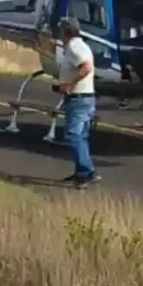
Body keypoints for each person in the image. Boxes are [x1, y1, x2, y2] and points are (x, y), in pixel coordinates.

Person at [50, 17, 100, 189]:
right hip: (86, 97)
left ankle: (88, 171)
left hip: (78, 98)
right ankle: (81, 175)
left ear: (65, 31)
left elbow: (86, 67)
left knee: (73, 135)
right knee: (81, 136)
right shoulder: (81, 45)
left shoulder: (73, 47)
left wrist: (69, 83)